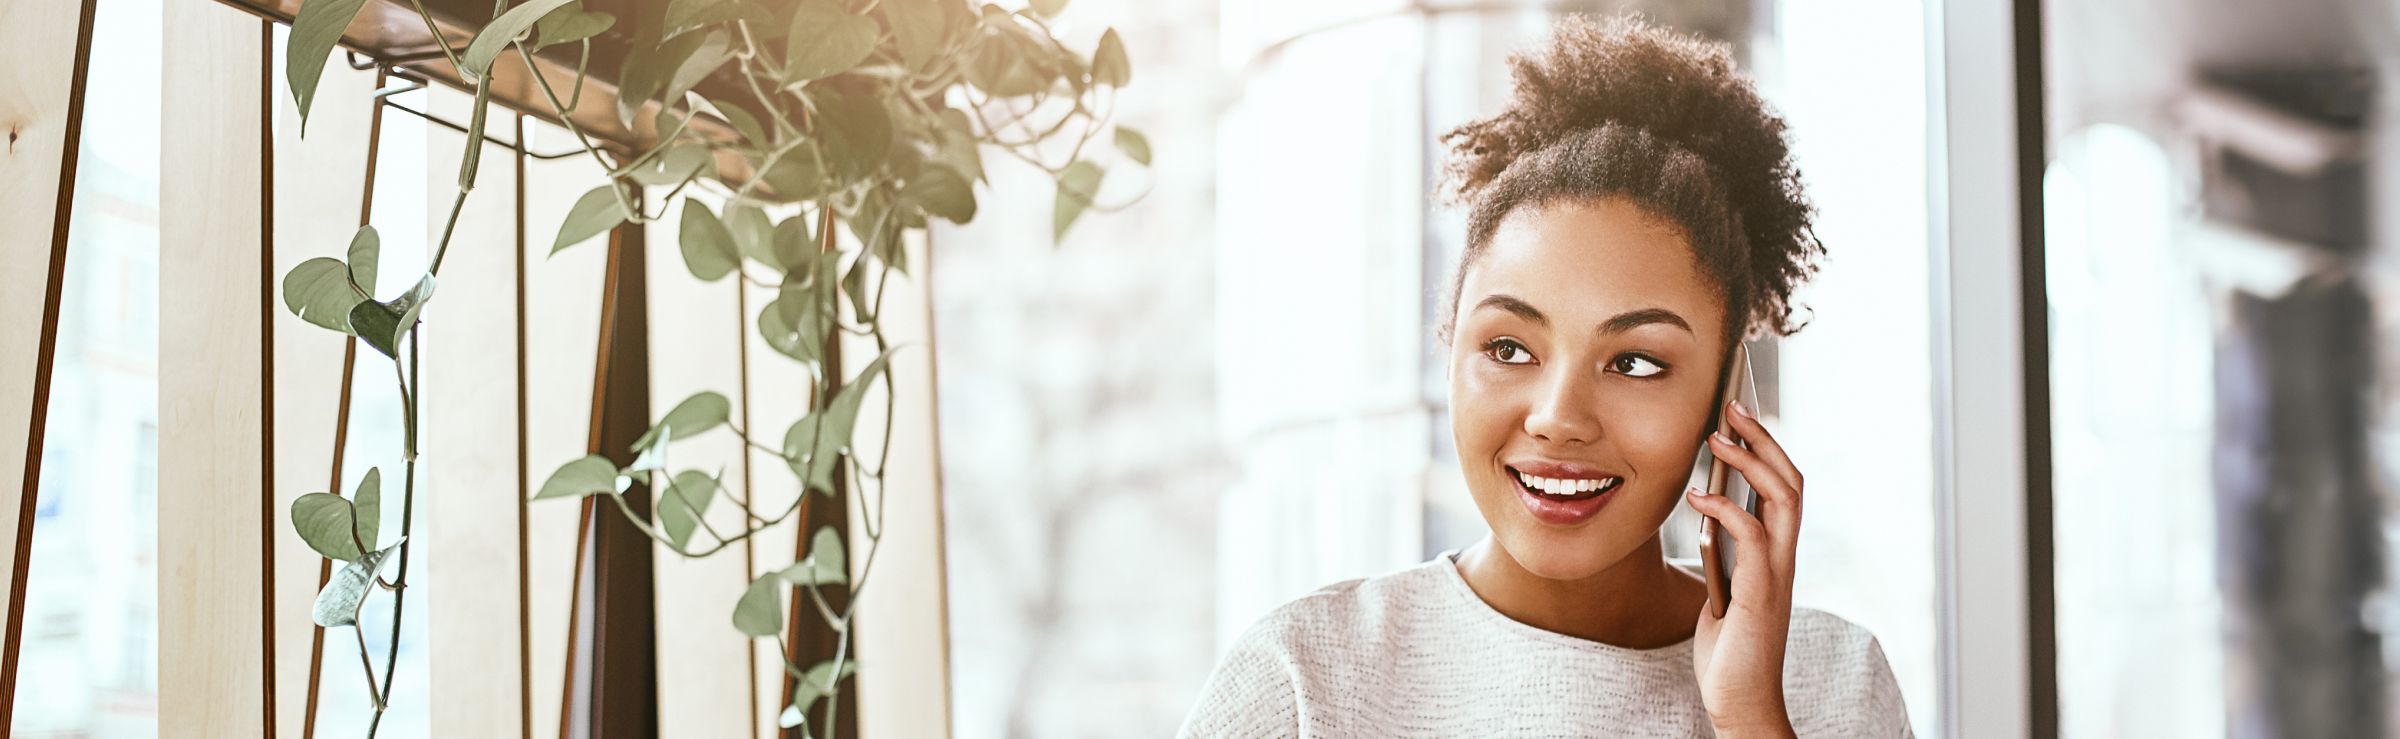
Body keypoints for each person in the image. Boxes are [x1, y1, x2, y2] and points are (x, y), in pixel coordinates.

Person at [1178, 15, 1911, 738]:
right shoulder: (1302, 680)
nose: (1558, 416)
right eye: (1508, 348)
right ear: (1450, 347)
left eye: (1634, 362)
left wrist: (1750, 713)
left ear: (1727, 401)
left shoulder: (1833, 680)